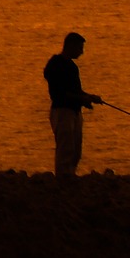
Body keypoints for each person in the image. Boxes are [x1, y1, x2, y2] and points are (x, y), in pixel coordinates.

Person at [43, 32, 102, 176]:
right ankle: (63, 178)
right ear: (70, 46)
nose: (82, 52)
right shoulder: (55, 64)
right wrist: (82, 99)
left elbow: (76, 91)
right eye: (80, 48)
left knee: (76, 149)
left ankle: (70, 175)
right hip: (62, 112)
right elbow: (59, 92)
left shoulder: (73, 67)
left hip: (74, 112)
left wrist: (89, 97)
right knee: (66, 148)